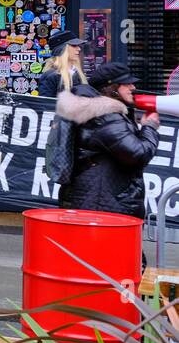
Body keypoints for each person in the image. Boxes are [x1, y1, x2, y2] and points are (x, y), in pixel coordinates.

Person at [56, 61, 160, 223]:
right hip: (103, 204)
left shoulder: (102, 113)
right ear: (111, 88)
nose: (132, 87)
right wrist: (150, 128)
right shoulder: (105, 115)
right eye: (126, 83)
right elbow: (138, 154)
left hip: (100, 199)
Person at [37, 31, 87, 98]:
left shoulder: (77, 72)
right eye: (74, 45)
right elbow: (45, 105)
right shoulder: (50, 76)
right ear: (62, 49)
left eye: (78, 45)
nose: (79, 49)